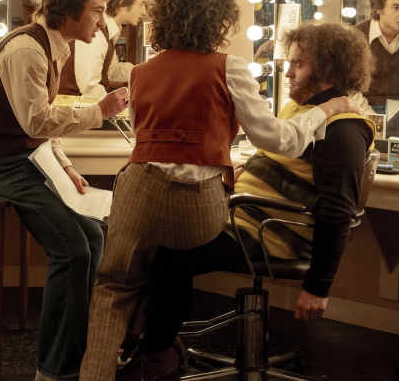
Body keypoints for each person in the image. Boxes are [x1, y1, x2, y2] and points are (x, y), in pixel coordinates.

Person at [120, 22, 375, 381]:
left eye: (298, 64)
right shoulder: (302, 110)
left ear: (329, 72)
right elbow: (286, 161)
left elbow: (337, 211)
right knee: (157, 238)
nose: (287, 72)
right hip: (251, 218)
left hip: (272, 233)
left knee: (169, 260)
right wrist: (251, 169)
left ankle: (158, 355)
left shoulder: (342, 130)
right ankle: (156, 341)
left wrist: (318, 287)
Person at [0, 0, 129, 381]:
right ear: (69, 12)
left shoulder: (53, 46)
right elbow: (35, 122)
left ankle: (77, 355)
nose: (102, 20)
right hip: (1, 167)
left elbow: (38, 128)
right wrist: (99, 112)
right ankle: (55, 370)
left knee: (93, 236)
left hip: (29, 161)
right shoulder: (26, 49)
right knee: (73, 251)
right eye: (97, 10)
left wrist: (66, 165)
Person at [59, 0, 146, 99]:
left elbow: (111, 70)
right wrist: (119, 106)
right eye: (141, 4)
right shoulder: (97, 31)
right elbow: (89, 86)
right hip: (70, 109)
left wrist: (146, 71)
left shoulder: (110, 29)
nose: (143, 11)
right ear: (123, 4)